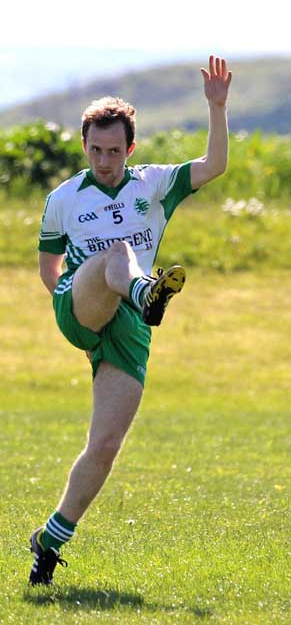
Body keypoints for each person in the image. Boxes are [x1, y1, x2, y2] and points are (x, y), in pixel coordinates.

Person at [29, 55, 232, 585]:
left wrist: (217, 108)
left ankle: (51, 537)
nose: (104, 160)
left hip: (130, 326)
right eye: (95, 150)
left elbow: (213, 166)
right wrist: (71, 298)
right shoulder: (64, 199)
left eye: (114, 150)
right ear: (84, 146)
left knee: (105, 446)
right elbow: (49, 264)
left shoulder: (154, 185)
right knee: (117, 254)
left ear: (131, 148)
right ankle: (145, 290)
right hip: (85, 301)